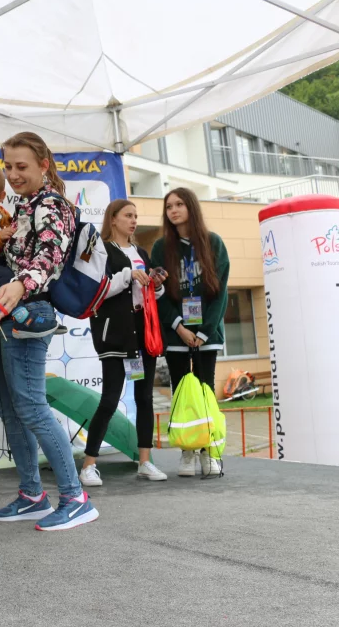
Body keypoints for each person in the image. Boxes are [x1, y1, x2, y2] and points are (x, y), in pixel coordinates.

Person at [0, 131, 98, 532]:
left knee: (30, 406)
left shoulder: (52, 206)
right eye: (8, 167)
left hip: (30, 313)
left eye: (22, 167)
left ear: (43, 165)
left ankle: (75, 497)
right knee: (8, 405)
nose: (13, 175)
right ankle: (33, 493)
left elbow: (50, 257)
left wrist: (19, 284)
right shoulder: (22, 206)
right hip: (5, 315)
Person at [79, 199, 169, 487]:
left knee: (144, 398)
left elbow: (148, 295)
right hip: (114, 333)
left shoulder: (140, 251)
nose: (133, 221)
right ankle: (89, 464)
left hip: (142, 332)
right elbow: (98, 291)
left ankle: (145, 461)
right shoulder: (102, 250)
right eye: (128, 215)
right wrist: (128, 275)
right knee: (109, 399)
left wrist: (157, 283)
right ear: (113, 219)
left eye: (136, 216)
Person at [150, 187, 230, 477]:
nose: (173, 210)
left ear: (191, 207)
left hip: (208, 334)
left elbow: (220, 294)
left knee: (206, 390)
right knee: (181, 392)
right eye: (169, 206)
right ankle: (187, 453)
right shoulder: (161, 248)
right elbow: (159, 295)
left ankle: (209, 452)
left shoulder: (214, 243)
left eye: (180, 204)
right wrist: (180, 328)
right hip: (176, 334)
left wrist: (205, 332)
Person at [0, 164, 62, 338]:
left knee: (27, 277)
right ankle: (23, 317)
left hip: (3, 260)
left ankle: (45, 318)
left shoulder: (2, 212)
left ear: (1, 196)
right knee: (7, 281)